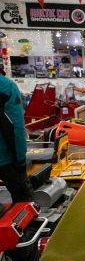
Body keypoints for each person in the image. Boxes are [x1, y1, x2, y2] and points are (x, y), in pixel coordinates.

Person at [0, 73, 34, 203]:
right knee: (25, 203)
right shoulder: (6, 87)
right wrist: (20, 161)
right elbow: (15, 128)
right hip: (5, 159)